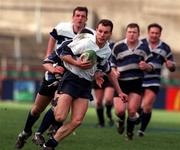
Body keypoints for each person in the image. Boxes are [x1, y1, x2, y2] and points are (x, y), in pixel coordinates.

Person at [42, 19, 128, 150]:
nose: (102, 34)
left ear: (110, 34)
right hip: (71, 79)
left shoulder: (107, 51)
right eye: (100, 31)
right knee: (60, 117)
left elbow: (109, 71)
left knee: (77, 121)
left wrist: (120, 91)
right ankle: (56, 102)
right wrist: (77, 64)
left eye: (105, 32)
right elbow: (63, 54)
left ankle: (49, 145)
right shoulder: (86, 43)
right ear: (96, 31)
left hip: (86, 84)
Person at [15, 6, 91, 149]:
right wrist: (50, 58)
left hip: (69, 77)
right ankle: (25, 133)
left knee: (59, 106)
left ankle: (43, 132)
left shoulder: (89, 35)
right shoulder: (62, 29)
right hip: (53, 72)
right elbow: (52, 43)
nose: (80, 18)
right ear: (73, 17)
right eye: (78, 15)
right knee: (37, 109)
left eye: (83, 16)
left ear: (86, 19)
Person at [111, 23, 154, 140]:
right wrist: (114, 71)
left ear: (138, 34)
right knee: (119, 111)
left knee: (132, 111)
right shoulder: (118, 46)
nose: (132, 34)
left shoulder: (144, 47)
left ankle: (129, 133)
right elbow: (111, 63)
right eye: (129, 32)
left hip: (136, 83)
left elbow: (151, 66)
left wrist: (146, 66)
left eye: (134, 32)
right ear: (126, 33)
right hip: (120, 83)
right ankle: (120, 121)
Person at [137, 23, 176, 137]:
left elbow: (172, 65)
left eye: (157, 33)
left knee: (147, 105)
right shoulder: (140, 44)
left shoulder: (165, 47)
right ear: (148, 33)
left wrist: (170, 65)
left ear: (160, 34)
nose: (154, 35)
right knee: (136, 107)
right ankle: (139, 118)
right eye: (152, 33)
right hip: (139, 79)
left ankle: (142, 130)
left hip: (153, 80)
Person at [92, 42, 115, 128]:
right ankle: (101, 122)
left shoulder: (113, 45)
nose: (103, 34)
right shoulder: (92, 44)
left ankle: (109, 114)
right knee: (98, 102)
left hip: (109, 76)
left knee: (108, 99)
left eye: (106, 32)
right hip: (97, 76)